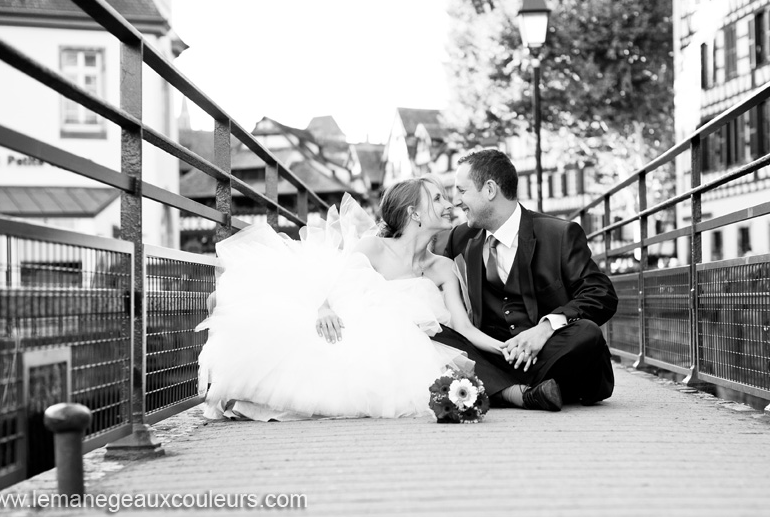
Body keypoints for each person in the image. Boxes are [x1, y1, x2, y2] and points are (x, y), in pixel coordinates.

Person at [196, 176, 511, 421]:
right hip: (344, 318)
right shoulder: (372, 247)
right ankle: (244, 390)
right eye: (439, 198)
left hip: (397, 341)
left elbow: (463, 328)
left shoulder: (442, 268)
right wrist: (322, 309)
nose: (450, 204)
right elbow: (330, 285)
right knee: (306, 349)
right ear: (414, 213)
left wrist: (507, 348)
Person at [436, 149, 618, 411]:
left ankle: (497, 387)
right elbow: (418, 250)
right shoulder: (460, 238)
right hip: (495, 354)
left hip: (549, 353)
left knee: (586, 333)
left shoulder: (559, 234)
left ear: (489, 189)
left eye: (462, 191)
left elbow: (601, 294)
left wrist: (544, 329)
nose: (456, 202)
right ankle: (521, 392)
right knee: (437, 334)